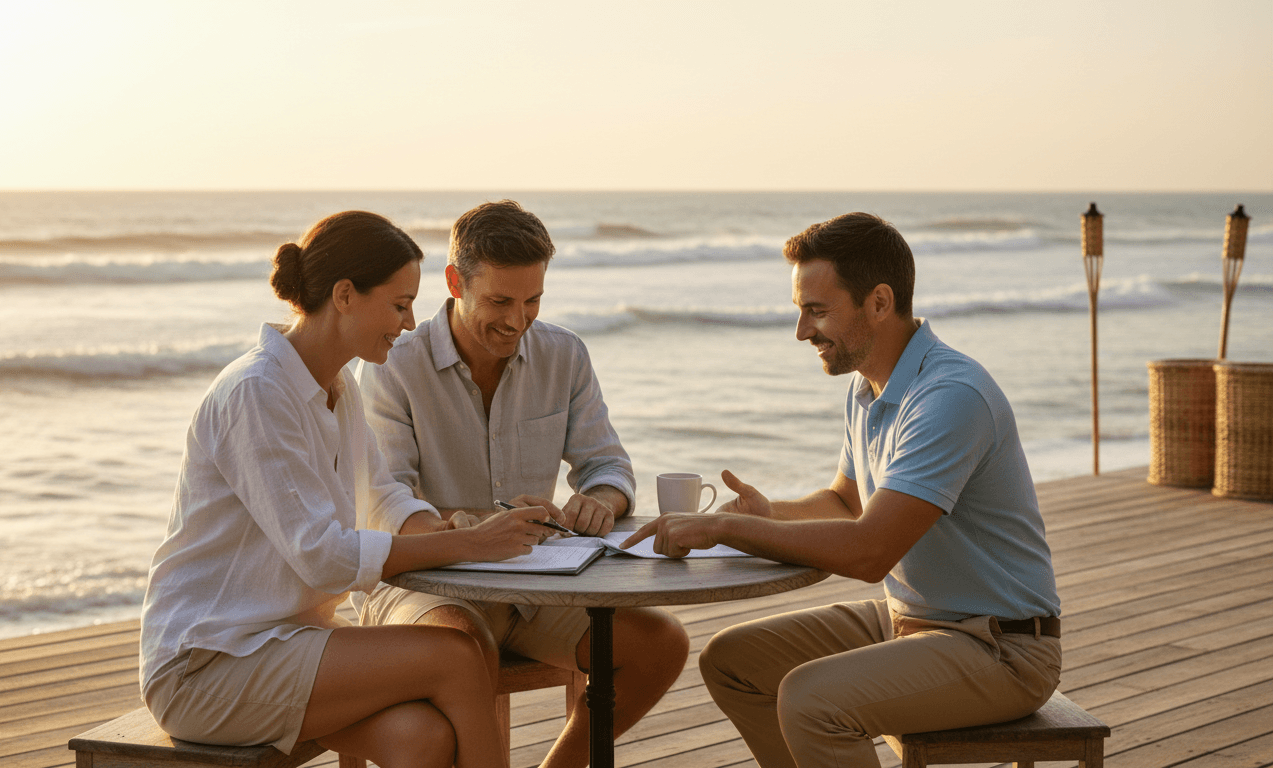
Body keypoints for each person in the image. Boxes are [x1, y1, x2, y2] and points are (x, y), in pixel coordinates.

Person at [623, 212, 1062, 767]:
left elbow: (869, 550)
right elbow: (846, 503)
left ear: (878, 302)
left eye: (817, 311)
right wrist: (772, 513)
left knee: (811, 699)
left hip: (1001, 647)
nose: (803, 332)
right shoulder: (867, 385)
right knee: (732, 660)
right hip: (909, 618)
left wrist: (730, 527)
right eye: (800, 311)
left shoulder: (949, 396)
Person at [139, 211, 563, 768]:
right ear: (344, 295)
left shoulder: (338, 387)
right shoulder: (257, 392)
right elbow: (321, 555)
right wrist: (469, 546)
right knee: (455, 656)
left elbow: (382, 494)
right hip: (207, 664)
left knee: (421, 738)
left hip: (289, 640)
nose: (411, 324)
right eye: (398, 304)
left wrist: (451, 527)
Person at [354, 200, 690, 768]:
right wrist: (471, 530)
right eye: (499, 301)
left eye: (532, 301)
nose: (517, 319)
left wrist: (596, 503)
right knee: (463, 649)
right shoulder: (392, 363)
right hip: (425, 588)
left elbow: (608, 466)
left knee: (661, 643)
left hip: (535, 587)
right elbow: (386, 502)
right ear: (455, 282)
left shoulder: (564, 354)